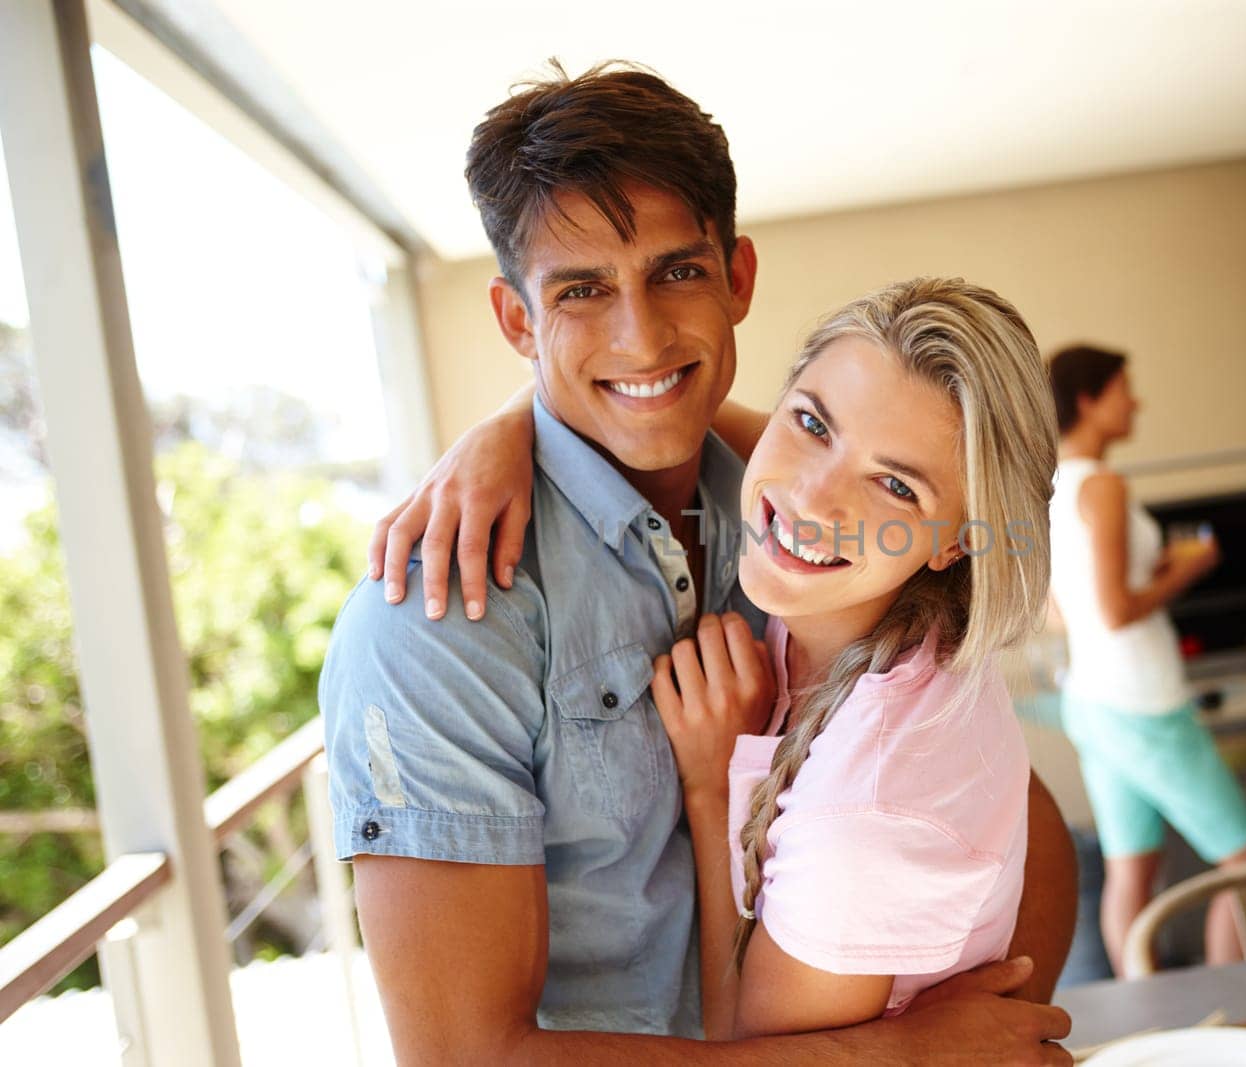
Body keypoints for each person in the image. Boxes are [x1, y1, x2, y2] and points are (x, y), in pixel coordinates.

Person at [322, 63, 1076, 1064]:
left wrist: (1000, 1026)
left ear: (737, 277)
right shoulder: (436, 615)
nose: (642, 334)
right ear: (517, 322)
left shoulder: (793, 515)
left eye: (677, 271)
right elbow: (464, 1056)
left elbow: (1010, 820)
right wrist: (899, 1055)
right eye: (581, 291)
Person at [646, 278, 1056, 1036]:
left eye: (895, 485)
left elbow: (749, 1051)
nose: (812, 495)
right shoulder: (878, 621)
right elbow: (663, 417)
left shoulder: (862, 812)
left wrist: (710, 785)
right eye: (811, 422)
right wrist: (501, 440)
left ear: (961, 538)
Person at [1046, 344, 1246, 975]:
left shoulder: (1053, 489)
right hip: (1142, 701)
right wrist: (1190, 569)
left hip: (1092, 698)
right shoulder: (1103, 484)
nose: (1135, 401)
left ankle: (1145, 1012)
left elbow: (1060, 611)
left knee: (1131, 869)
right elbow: (1117, 609)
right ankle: (1231, 1003)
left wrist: (1156, 569)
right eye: (1124, 388)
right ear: (1090, 400)